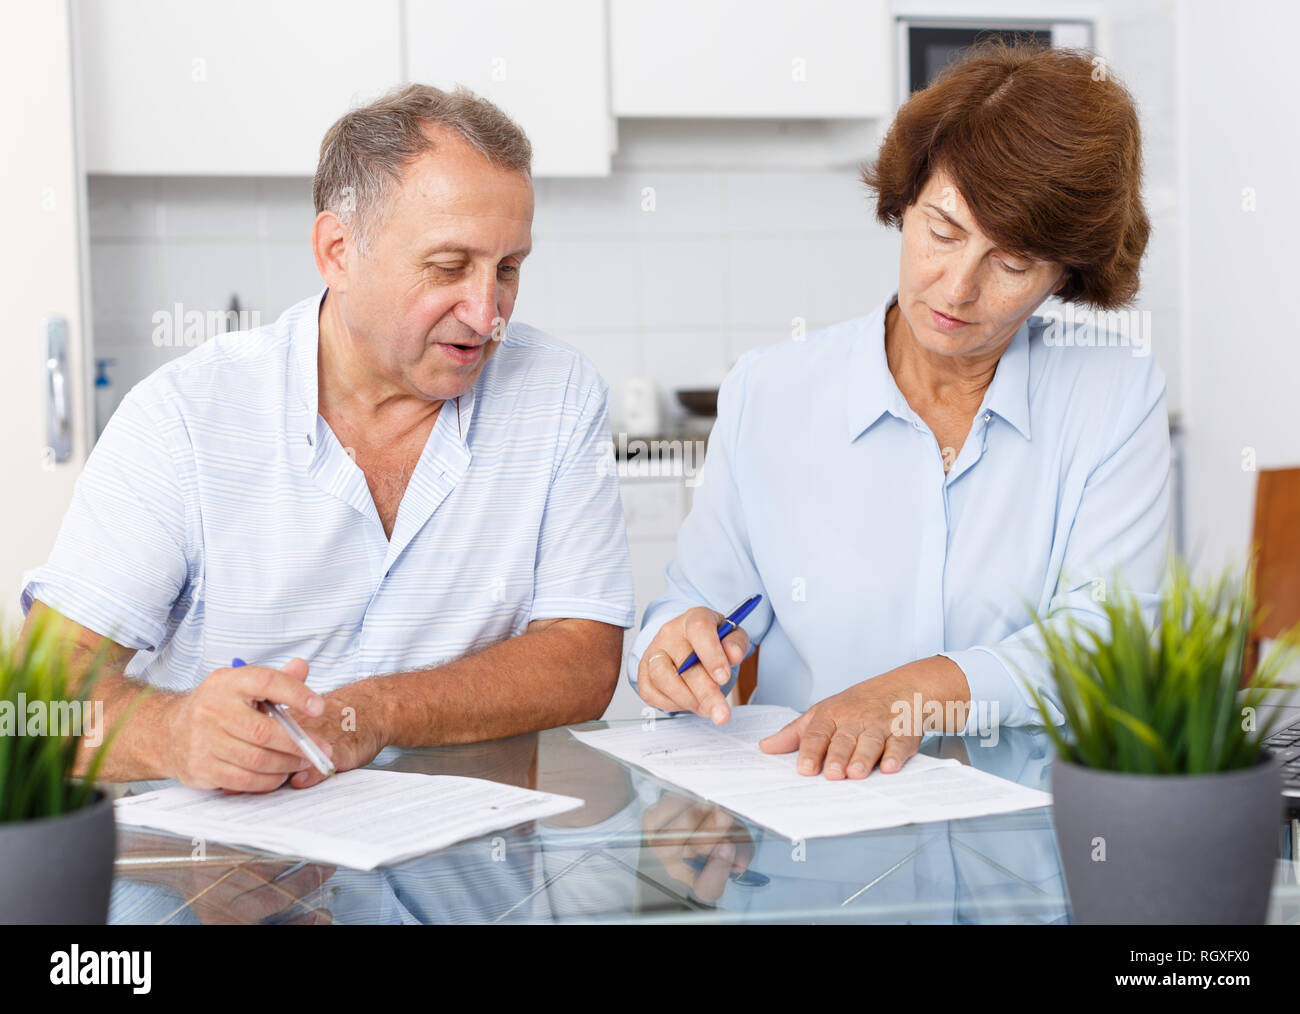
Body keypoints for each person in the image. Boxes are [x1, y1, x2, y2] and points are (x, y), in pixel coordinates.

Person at [21, 84, 633, 792]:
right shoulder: (184, 418)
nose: (485, 310)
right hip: (218, 883)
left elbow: (584, 660)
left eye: (508, 269)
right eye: (448, 267)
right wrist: (174, 734)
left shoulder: (557, 395)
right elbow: (33, 704)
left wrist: (368, 713)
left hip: (467, 882)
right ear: (337, 251)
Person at [628, 42, 1170, 780]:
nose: (956, 288)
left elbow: (1109, 640)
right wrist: (671, 644)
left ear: (1067, 275)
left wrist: (922, 692)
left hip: (1031, 851)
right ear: (903, 203)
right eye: (942, 232)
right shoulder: (771, 391)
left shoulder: (1113, 391)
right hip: (816, 834)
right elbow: (703, 601)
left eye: (1011, 265)